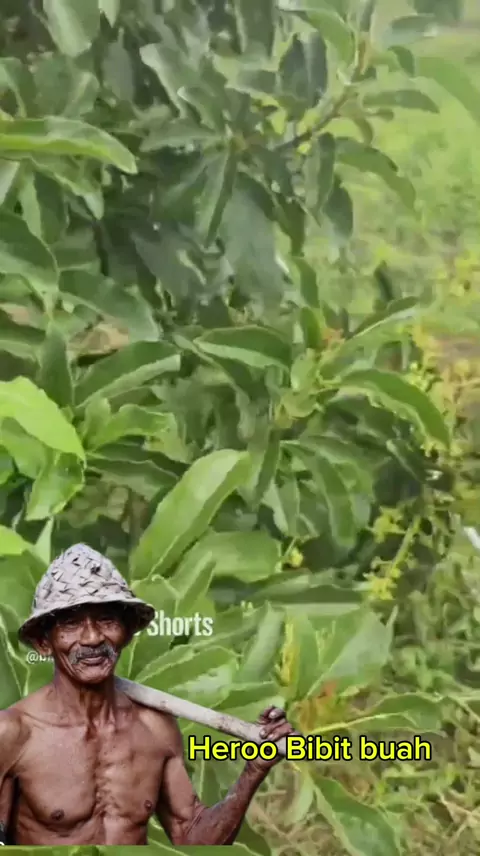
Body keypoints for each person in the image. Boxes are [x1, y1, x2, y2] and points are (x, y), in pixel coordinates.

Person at [0, 544, 296, 845]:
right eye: (71, 623)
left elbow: (194, 840)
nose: (92, 637)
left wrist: (254, 769)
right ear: (43, 643)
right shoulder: (14, 734)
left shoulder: (155, 728)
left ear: (127, 633)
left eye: (106, 620)